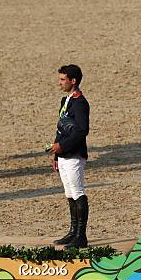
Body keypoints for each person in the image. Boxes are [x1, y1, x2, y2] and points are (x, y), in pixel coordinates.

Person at [49, 65, 90, 248]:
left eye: (63, 79)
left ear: (73, 81)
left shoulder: (80, 102)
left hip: (74, 155)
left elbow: (82, 130)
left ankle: (81, 236)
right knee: (69, 193)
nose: (60, 83)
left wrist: (63, 146)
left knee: (78, 192)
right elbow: (61, 127)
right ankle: (73, 232)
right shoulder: (65, 101)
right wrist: (56, 154)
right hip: (64, 155)